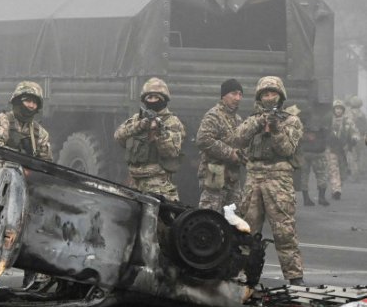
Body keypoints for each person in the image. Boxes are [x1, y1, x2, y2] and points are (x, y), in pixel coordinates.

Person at [232, 76, 305, 286]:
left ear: (281, 96)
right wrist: (258, 122)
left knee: (284, 230)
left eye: (273, 93)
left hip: (278, 177)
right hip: (254, 177)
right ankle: (244, 275)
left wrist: (275, 129)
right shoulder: (252, 119)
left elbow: (287, 149)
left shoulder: (291, 121)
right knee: (247, 230)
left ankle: (294, 277)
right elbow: (237, 139)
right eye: (265, 94)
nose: (269, 97)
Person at [0, 80, 53, 289]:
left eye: (34, 103)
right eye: (26, 100)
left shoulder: (39, 133)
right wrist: (21, 157)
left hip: (25, 189)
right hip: (0, 187)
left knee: (28, 233)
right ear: (17, 100)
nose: (30, 106)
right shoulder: (1, 121)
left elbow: (46, 161)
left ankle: (31, 278)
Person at [114, 77, 185, 202]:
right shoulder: (137, 119)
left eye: (156, 97)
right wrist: (139, 126)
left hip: (157, 184)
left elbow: (172, 151)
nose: (152, 101)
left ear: (163, 99)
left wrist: (158, 133)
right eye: (149, 98)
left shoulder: (172, 122)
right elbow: (118, 136)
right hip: (134, 182)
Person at [195, 78, 245, 212]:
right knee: (210, 217)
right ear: (224, 96)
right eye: (234, 94)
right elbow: (203, 139)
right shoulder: (214, 115)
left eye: (240, 94)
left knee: (234, 220)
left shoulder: (238, 119)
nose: (238, 98)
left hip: (232, 178)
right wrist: (230, 153)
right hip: (215, 176)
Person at [325, 99, 359, 200]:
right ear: (333, 110)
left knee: (343, 172)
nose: (338, 111)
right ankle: (336, 190)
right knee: (333, 169)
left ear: (343, 110)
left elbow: (354, 132)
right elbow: (323, 132)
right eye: (336, 109)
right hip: (332, 148)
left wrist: (354, 138)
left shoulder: (347, 121)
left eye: (340, 109)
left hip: (344, 150)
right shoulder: (329, 120)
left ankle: (338, 186)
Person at [299, 107, 330, 206]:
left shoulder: (300, 119)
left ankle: (306, 199)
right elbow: (327, 135)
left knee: (304, 175)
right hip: (318, 152)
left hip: (304, 152)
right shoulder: (323, 118)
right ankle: (321, 198)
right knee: (321, 174)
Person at [346, 96, 367, 181]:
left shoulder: (349, 113)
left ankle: (355, 175)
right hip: (362, 137)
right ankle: (363, 173)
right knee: (362, 156)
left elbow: (348, 127)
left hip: (353, 137)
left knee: (352, 156)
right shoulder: (362, 114)